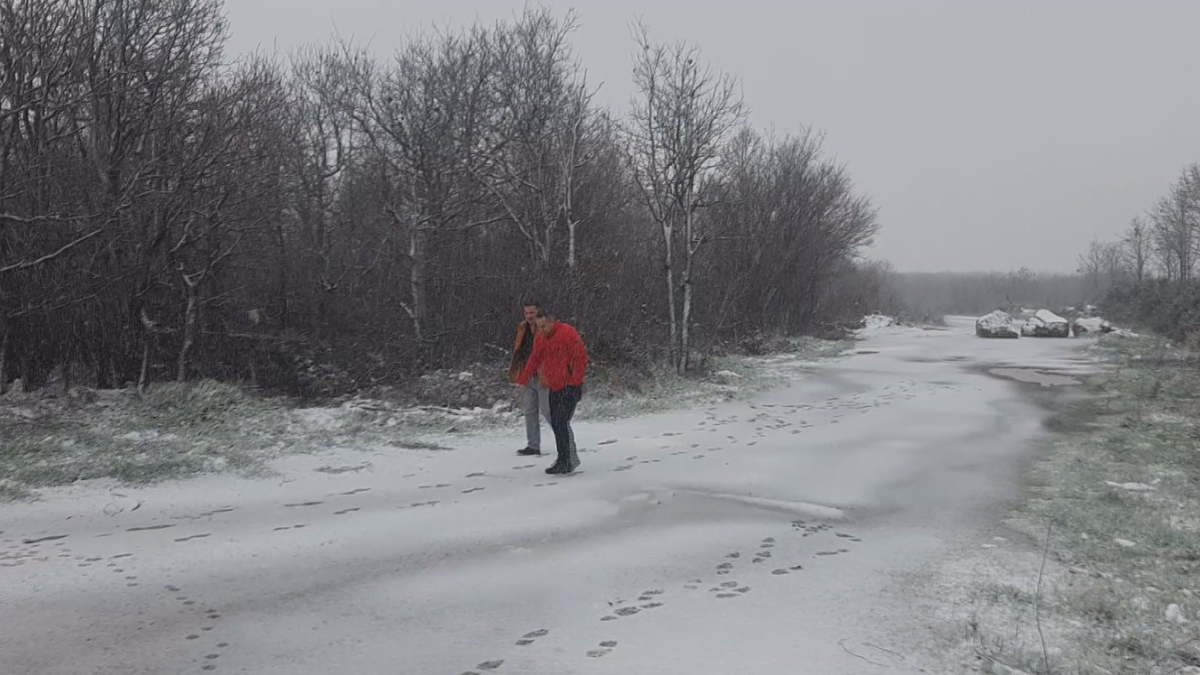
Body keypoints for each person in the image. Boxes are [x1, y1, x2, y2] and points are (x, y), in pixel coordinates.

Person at [515, 308, 588, 474]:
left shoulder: (568, 332)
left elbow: (581, 358)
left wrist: (574, 383)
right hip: (553, 386)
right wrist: (523, 380)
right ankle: (563, 459)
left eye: (543, 326)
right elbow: (535, 358)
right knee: (556, 423)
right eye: (539, 327)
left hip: (570, 386)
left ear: (552, 322)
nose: (541, 330)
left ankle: (568, 459)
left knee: (561, 422)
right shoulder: (541, 337)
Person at [507, 300, 576, 458]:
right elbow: (519, 350)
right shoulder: (522, 328)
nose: (529, 316)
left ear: (538, 312)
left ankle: (566, 442)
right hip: (528, 374)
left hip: (545, 376)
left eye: (532, 313)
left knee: (549, 412)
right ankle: (533, 446)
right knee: (529, 411)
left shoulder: (547, 328)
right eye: (527, 313)